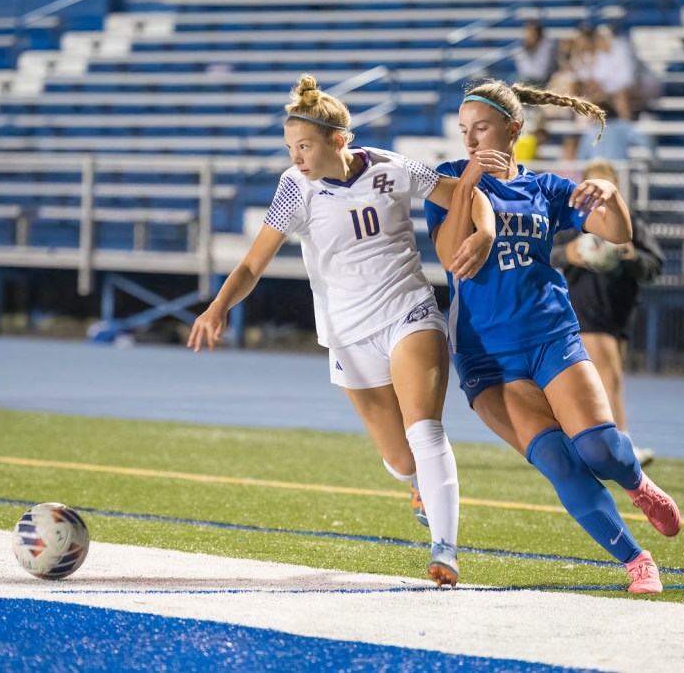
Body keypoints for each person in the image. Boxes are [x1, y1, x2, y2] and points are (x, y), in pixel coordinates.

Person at [187, 74, 494, 588]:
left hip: (409, 310)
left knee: (425, 430)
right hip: (348, 335)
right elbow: (252, 265)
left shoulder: (392, 168)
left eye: (304, 145)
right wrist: (218, 306)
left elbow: (464, 191)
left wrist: (484, 230)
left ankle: (445, 550)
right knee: (401, 459)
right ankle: (417, 484)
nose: (296, 157)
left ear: (339, 139)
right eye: (290, 147)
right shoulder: (294, 189)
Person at [425, 79, 681, 594]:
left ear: (513, 129)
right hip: (487, 358)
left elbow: (618, 233)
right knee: (559, 462)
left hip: (551, 336)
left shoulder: (546, 188)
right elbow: (451, 255)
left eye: (482, 128)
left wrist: (610, 194)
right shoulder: (449, 180)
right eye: (464, 130)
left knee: (599, 448)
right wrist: (470, 182)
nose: (470, 140)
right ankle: (637, 561)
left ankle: (636, 482)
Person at [552, 159, 665, 467]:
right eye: (592, 188)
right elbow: (545, 253)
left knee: (603, 382)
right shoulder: (572, 220)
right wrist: (568, 254)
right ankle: (622, 444)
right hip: (585, 310)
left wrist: (631, 256)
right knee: (609, 377)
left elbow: (655, 264)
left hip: (620, 312)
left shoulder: (629, 223)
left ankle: (583, 443)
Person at [514, 20, 558, 90]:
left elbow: (540, 73)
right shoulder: (521, 50)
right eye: (527, 34)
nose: (528, 36)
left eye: (531, 34)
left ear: (537, 35)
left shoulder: (547, 48)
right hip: (527, 82)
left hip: (544, 83)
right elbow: (523, 72)